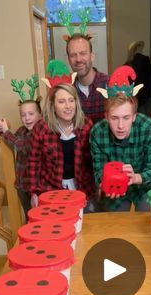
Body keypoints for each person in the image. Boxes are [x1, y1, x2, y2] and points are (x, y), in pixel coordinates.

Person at [90, 66, 151, 211]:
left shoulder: (148, 128)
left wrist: (136, 177)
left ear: (134, 116)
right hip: (114, 188)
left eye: (126, 118)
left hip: (143, 185)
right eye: (114, 118)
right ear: (106, 117)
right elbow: (99, 171)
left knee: (146, 219)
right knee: (115, 223)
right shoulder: (97, 133)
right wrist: (105, 183)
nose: (120, 126)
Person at [28, 65, 95, 209]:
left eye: (71, 100)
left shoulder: (86, 125)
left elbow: (93, 162)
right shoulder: (41, 128)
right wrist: (34, 192)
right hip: (51, 189)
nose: (68, 106)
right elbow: (34, 163)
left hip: (82, 188)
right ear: (53, 104)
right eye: (61, 101)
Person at [0, 75, 42, 221]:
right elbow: (11, 140)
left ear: (40, 115)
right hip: (22, 185)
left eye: (31, 114)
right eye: (23, 115)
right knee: (28, 217)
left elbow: (21, 146)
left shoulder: (42, 132)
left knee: (38, 218)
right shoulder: (21, 131)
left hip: (37, 186)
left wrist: (6, 131)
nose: (27, 118)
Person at [66, 33, 109, 124]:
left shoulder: (109, 85)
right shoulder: (66, 89)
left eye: (83, 53)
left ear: (92, 56)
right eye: (73, 55)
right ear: (68, 60)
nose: (78, 59)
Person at [125, 40, 151, 115]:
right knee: (143, 115)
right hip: (143, 94)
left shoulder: (127, 64)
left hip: (131, 94)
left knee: (132, 115)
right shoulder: (145, 60)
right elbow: (148, 78)